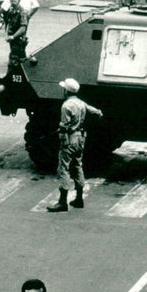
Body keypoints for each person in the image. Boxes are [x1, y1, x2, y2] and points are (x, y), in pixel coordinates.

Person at [47, 78, 103, 212]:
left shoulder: (66, 106)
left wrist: (62, 140)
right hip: (80, 138)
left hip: (70, 139)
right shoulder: (80, 103)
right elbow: (95, 112)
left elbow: (64, 126)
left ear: (66, 91)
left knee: (63, 169)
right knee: (78, 166)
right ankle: (79, 199)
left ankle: (62, 202)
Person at [5, 0, 29, 68]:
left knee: (15, 61)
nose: (12, 3)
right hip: (12, 40)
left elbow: (23, 28)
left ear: (19, 0)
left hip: (19, 41)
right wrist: (7, 35)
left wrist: (13, 36)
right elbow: (8, 23)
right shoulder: (11, 11)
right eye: (11, 1)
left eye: (14, 1)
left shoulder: (22, 12)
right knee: (17, 59)